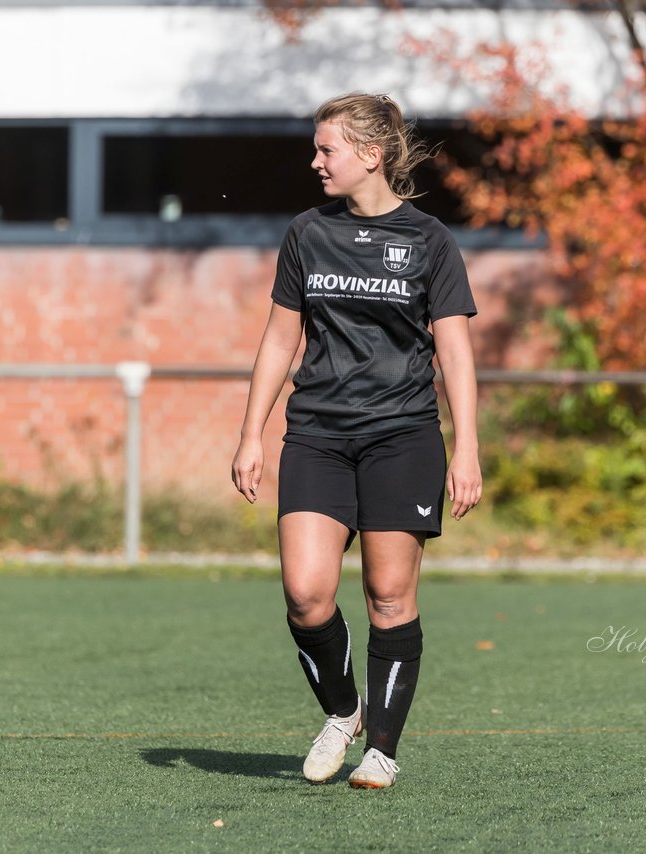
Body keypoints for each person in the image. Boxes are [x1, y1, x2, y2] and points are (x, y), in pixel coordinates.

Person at [231, 92, 481, 790]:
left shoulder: (431, 241)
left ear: (370, 156)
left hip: (402, 438)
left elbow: (455, 354)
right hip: (316, 435)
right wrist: (251, 433)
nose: (315, 162)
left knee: (388, 594)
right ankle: (343, 713)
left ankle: (382, 751)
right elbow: (282, 336)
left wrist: (467, 449)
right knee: (307, 595)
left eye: (326, 150)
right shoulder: (306, 233)